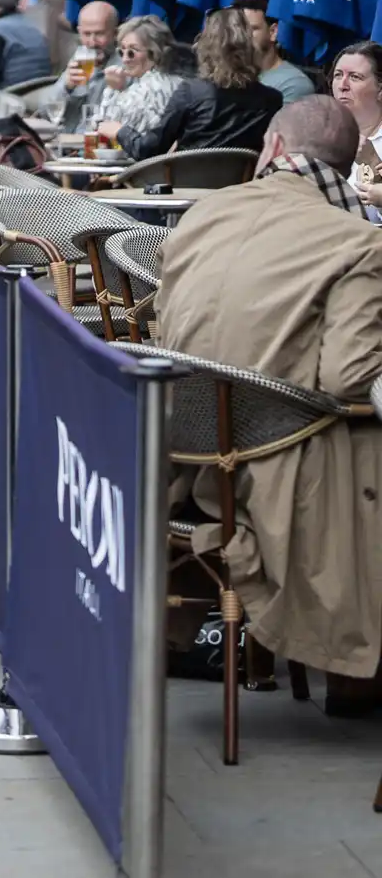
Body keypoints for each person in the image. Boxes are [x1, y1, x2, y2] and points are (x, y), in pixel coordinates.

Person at [157, 95, 382, 707]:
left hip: (181, 458)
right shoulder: (359, 242)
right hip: (275, 467)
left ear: (274, 150)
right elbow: (348, 379)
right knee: (366, 439)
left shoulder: (202, 215)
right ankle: (354, 675)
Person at [99, 7, 281, 160]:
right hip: (241, 192)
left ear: (206, 47)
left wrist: (120, 131)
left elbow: (149, 151)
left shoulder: (190, 92)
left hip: (185, 191)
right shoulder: (272, 99)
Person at [37, 0, 119, 130]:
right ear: (79, 32)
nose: (92, 42)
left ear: (115, 34)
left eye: (99, 34)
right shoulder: (80, 58)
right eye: (86, 34)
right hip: (66, 142)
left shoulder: (124, 66)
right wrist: (66, 87)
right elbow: (44, 111)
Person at [235, 0, 317, 103]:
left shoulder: (294, 84)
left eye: (251, 29)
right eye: (236, 29)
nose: (241, 36)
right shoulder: (227, 77)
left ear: (273, 32)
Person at [330, 42, 382, 207]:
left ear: (380, 89)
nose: (342, 86)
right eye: (338, 75)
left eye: (355, 77)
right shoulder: (318, 133)